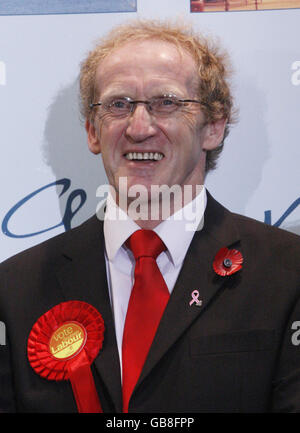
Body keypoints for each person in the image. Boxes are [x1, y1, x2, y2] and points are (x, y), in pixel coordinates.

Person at [1, 19, 300, 413]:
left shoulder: (288, 271)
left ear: (213, 127)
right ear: (92, 131)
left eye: (167, 103)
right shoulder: (15, 289)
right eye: (118, 104)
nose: (139, 128)